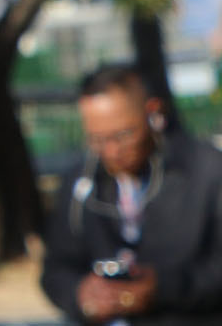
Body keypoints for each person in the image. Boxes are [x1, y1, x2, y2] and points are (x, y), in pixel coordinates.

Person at [42, 64, 222, 324]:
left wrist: (163, 288)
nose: (112, 151)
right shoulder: (81, 183)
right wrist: (81, 293)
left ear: (152, 113)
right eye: (97, 139)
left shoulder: (207, 172)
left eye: (123, 135)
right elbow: (56, 268)